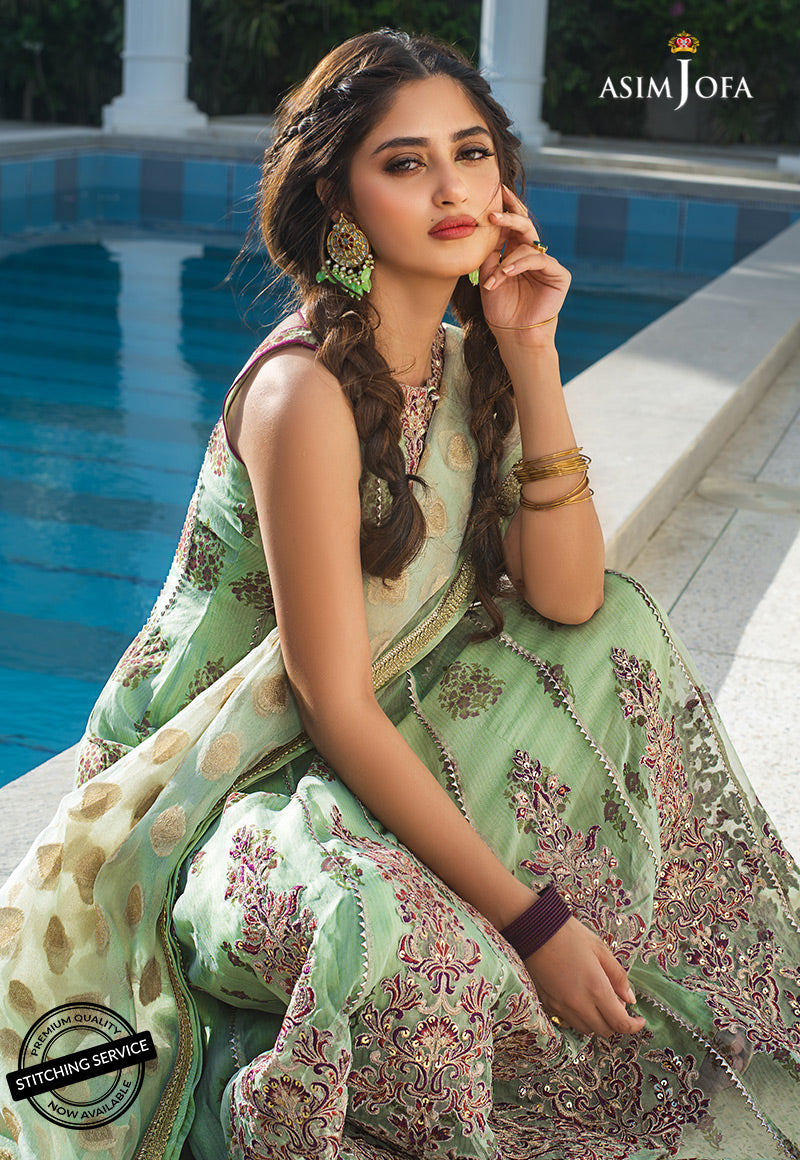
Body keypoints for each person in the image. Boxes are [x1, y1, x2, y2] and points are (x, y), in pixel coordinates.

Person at [1, 28, 799, 1160]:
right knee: (397, 937)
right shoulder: (303, 394)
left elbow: (574, 597)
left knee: (622, 625)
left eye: (470, 153)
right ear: (339, 200)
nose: (451, 189)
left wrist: (530, 349)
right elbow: (330, 706)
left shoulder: (466, 361)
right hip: (232, 782)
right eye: (405, 162)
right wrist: (533, 922)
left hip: (393, 719)